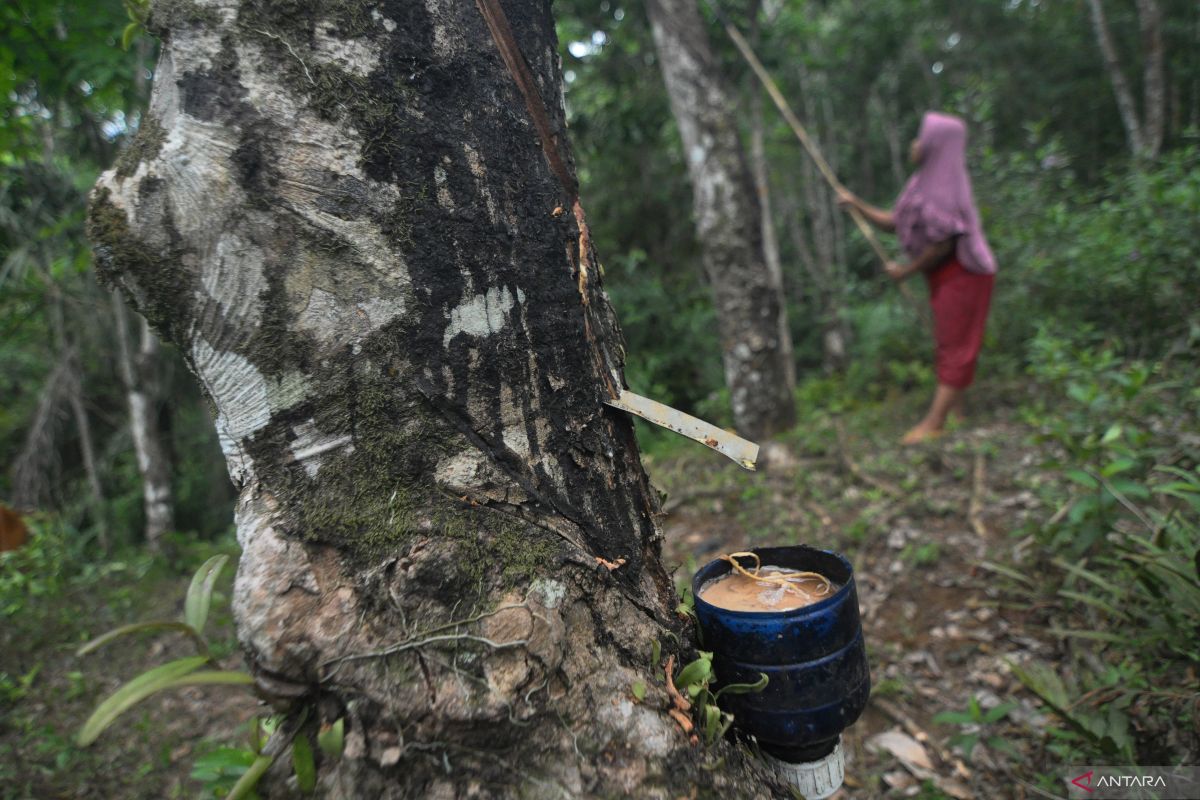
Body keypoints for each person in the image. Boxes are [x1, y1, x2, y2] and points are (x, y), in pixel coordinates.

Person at [837, 111, 997, 444]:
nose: (915, 144)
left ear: (935, 144)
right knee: (950, 339)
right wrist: (856, 204)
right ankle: (956, 411)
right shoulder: (923, 181)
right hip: (944, 275)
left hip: (965, 273)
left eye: (920, 137)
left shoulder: (943, 191)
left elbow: (942, 244)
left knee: (957, 344)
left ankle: (935, 423)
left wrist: (905, 271)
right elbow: (896, 221)